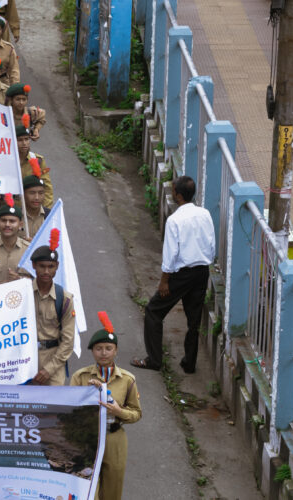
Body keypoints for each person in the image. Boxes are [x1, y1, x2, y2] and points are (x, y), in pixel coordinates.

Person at [132, 176, 215, 373]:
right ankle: (189, 364)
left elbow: (170, 254)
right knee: (194, 320)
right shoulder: (205, 214)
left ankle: (154, 360)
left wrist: (164, 282)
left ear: (177, 194)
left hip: (181, 274)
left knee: (154, 311)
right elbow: (211, 244)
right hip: (202, 271)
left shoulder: (174, 220)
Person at [71, 314, 142, 500]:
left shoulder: (127, 379)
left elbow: (136, 413)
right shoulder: (81, 377)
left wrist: (119, 412)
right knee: (87, 489)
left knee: (113, 489)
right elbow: (69, 410)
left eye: (108, 348)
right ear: (92, 351)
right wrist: (86, 398)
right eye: (98, 348)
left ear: (116, 351)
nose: (104, 353)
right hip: (88, 439)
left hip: (114, 437)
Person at [29, 231, 76, 385]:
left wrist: (49, 369)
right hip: (26, 358)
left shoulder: (65, 299)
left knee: (54, 405)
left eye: (51, 266)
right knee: (23, 405)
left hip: (53, 359)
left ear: (57, 267)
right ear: (34, 265)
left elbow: (68, 341)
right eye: (42, 266)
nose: (46, 272)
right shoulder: (23, 293)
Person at [17, 118, 53, 210]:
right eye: (20, 140)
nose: (24, 143)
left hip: (32, 209)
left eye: (26, 139)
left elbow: (47, 188)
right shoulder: (6, 161)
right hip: (12, 210)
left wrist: (45, 210)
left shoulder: (38, 160)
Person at [21, 161, 48, 240]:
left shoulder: (50, 217)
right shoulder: (15, 217)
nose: (37, 197)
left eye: (41, 193)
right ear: (23, 194)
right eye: (32, 193)